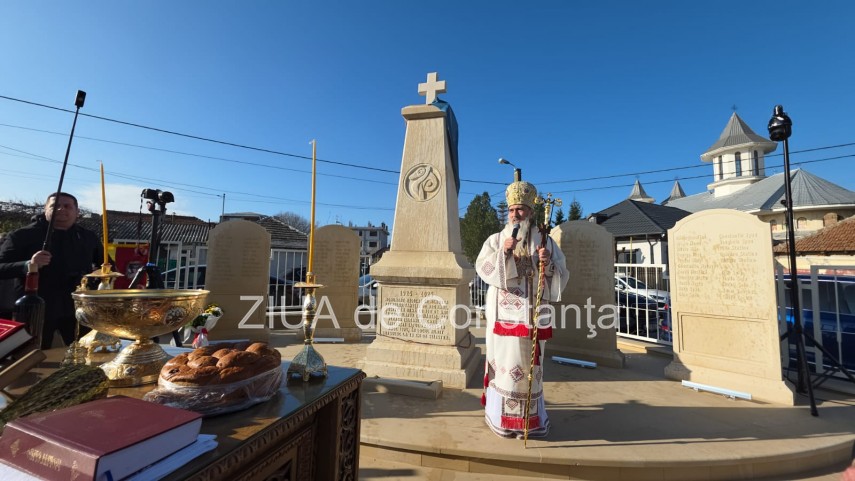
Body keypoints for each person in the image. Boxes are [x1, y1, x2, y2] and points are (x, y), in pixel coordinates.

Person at [475, 170, 568, 439]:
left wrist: (547, 262)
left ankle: (531, 420)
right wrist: (504, 252)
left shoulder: (546, 240)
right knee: (506, 367)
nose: (516, 214)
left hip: (534, 314)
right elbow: (484, 268)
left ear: (531, 212)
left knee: (531, 367)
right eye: (512, 209)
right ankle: (502, 420)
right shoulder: (495, 240)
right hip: (503, 318)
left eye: (522, 209)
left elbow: (562, 273)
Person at [0, 192, 102, 349]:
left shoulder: (88, 237)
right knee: (29, 358)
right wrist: (29, 264)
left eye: (67, 206)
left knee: (86, 354)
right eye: (55, 206)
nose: (61, 209)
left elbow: (107, 266)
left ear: (77, 212)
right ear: (45, 209)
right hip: (36, 310)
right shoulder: (21, 236)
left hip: (78, 310)